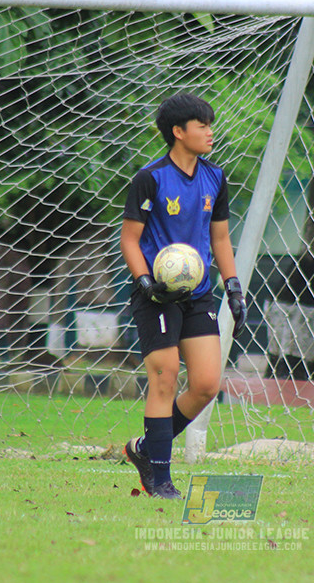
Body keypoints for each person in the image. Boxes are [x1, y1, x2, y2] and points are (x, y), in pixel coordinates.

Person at [120, 93, 247, 499]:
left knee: (207, 384)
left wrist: (233, 285)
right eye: (202, 125)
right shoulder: (150, 178)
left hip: (199, 294)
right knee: (164, 378)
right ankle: (160, 477)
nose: (210, 132)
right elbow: (130, 239)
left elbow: (221, 237)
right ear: (179, 132)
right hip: (156, 295)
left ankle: (145, 448)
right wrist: (143, 281)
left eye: (210, 124)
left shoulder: (215, 177)